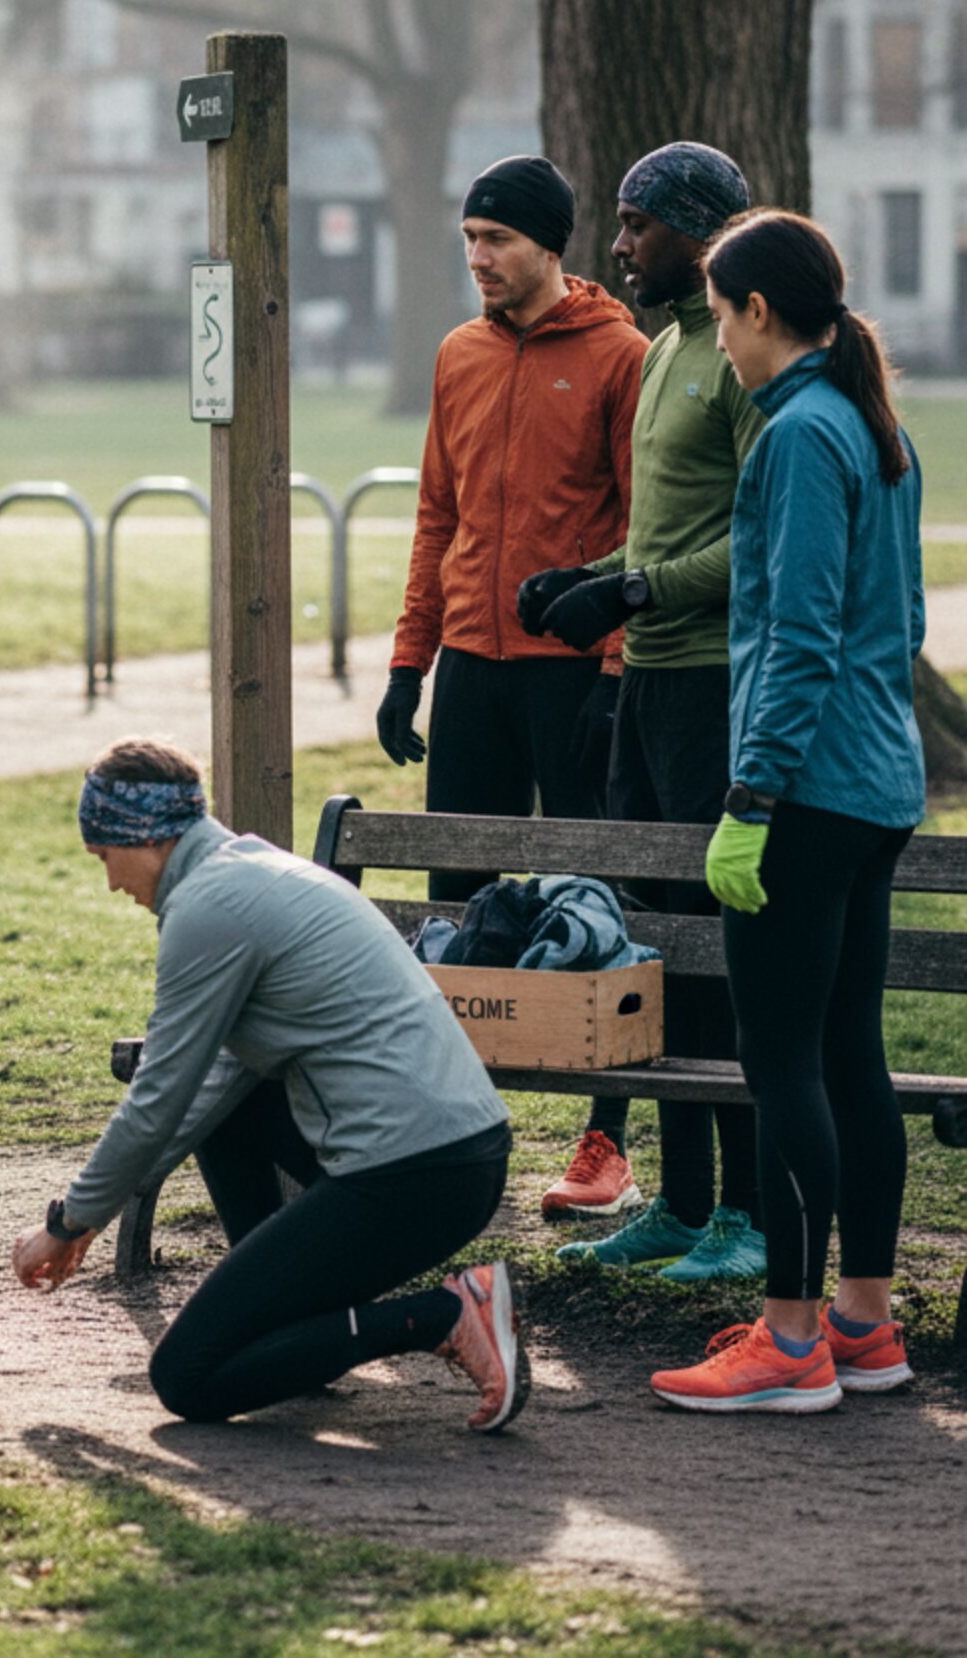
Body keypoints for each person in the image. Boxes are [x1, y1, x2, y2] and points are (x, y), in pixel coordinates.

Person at [10, 740, 527, 1432]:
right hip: (458, 1155)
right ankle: (288, 1316)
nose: (110, 882)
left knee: (187, 1376)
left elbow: (158, 1096)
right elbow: (207, 1091)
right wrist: (92, 1214)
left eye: (104, 856)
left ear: (148, 837)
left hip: (418, 1175)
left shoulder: (209, 907)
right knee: (228, 1110)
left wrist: (67, 1222)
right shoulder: (254, 870)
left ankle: (443, 1315)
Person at [651, 211, 925, 1414]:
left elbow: (797, 634)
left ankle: (789, 1341)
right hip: (877, 784)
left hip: (805, 791)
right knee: (846, 1057)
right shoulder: (870, 422)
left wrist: (749, 796)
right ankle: (863, 1326)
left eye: (717, 316)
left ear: (758, 312)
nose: (715, 339)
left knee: (780, 1065)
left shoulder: (799, 436)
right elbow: (901, 626)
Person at [377, 153, 646, 1222]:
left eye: (496, 240)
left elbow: (638, 532)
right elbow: (435, 517)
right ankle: (439, 1120)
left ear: (548, 246)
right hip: (473, 674)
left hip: (570, 673)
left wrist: (614, 672)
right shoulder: (457, 354)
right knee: (456, 897)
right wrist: (410, 661)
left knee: (595, 899)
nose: (479, 259)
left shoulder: (618, 355)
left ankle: (603, 1139)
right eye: (468, 240)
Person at [522, 143, 766, 1278]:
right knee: (655, 949)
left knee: (718, 958)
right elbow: (668, 536)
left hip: (714, 684)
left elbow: (755, 540)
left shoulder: (736, 358)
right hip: (649, 680)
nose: (615, 247)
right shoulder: (668, 345)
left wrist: (636, 586)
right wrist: (591, 578)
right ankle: (679, 1201)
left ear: (697, 229)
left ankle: (745, 1216)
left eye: (635, 224)